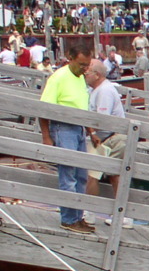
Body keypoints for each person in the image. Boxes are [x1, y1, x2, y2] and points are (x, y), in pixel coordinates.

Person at [38, 42, 95, 232]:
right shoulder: (58, 78)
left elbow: (81, 105)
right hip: (63, 128)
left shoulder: (80, 77)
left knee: (81, 176)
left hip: (78, 128)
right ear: (70, 59)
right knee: (68, 176)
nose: (85, 69)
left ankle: (78, 216)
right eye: (81, 65)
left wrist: (90, 131)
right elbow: (44, 108)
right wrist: (46, 136)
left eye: (87, 65)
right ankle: (69, 219)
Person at [83, 59, 131, 225]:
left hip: (112, 137)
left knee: (94, 175)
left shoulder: (104, 91)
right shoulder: (96, 90)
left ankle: (90, 212)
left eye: (87, 72)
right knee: (114, 176)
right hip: (108, 137)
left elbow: (102, 120)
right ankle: (121, 215)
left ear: (97, 75)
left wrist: (91, 131)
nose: (85, 74)